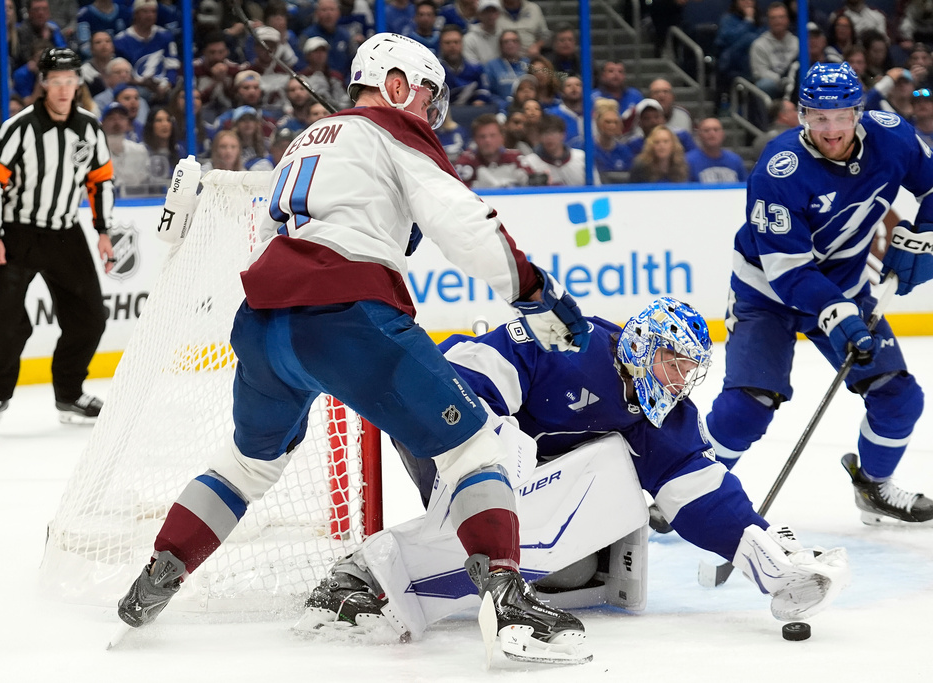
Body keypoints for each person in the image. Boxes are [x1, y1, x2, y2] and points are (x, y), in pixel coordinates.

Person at [116, 32, 594, 665]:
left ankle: (158, 576)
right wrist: (534, 290)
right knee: (474, 447)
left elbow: (281, 235)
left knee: (247, 464)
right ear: (395, 85)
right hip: (348, 319)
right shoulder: (395, 129)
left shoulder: (303, 142)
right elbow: (465, 222)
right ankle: (509, 600)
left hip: (262, 327)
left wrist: (390, 228)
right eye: (425, 96)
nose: (430, 114)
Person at [295, 298, 850, 640]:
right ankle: (362, 576)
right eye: (671, 363)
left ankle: (457, 570)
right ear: (642, 345)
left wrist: (760, 554)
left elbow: (698, 490)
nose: (678, 381)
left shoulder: (659, 414)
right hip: (439, 415)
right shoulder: (566, 343)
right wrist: (492, 445)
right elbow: (462, 373)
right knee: (505, 461)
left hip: (507, 462)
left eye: (688, 372)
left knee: (574, 573)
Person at [703, 62, 933, 526]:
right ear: (802, 114)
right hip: (766, 294)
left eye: (842, 116)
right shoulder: (778, 169)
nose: (831, 130)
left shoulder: (893, 138)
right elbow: (787, 271)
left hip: (845, 285)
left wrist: (927, 234)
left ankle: (873, 486)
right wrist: (836, 312)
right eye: (819, 117)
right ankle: (686, 487)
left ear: (859, 112)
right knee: (745, 408)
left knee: (898, 397)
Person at [0, 48, 115, 432]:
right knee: (8, 322)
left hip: (66, 233)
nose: (64, 89)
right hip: (19, 234)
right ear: (44, 84)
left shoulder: (90, 128)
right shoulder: (19, 127)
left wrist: (103, 231)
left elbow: (100, 181)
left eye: (70, 81)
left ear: (78, 83)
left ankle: (69, 393)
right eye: (56, 82)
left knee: (90, 319)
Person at [454, 112, 537, 187]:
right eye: (482, 136)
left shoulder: (515, 157)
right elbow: (458, 191)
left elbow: (535, 185)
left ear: (502, 137)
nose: (487, 140)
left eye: (492, 135)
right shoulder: (466, 161)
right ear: (475, 139)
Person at [521, 113, 588, 185]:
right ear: (539, 137)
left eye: (553, 132)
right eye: (544, 133)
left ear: (563, 135)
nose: (549, 137)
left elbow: (595, 186)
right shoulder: (529, 162)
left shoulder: (582, 157)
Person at [749, 2, 798, 101]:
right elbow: (761, 72)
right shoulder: (759, 44)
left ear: (788, 19)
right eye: (773, 18)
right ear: (768, 21)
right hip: (773, 85)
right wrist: (781, 80)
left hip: (793, 80)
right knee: (765, 84)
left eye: (781, 17)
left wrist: (790, 79)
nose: (778, 21)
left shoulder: (796, 42)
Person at [686, 118, 747, 183]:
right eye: (706, 130)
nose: (712, 133)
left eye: (716, 130)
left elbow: (745, 185)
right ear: (699, 135)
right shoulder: (688, 161)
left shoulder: (735, 160)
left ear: (723, 134)